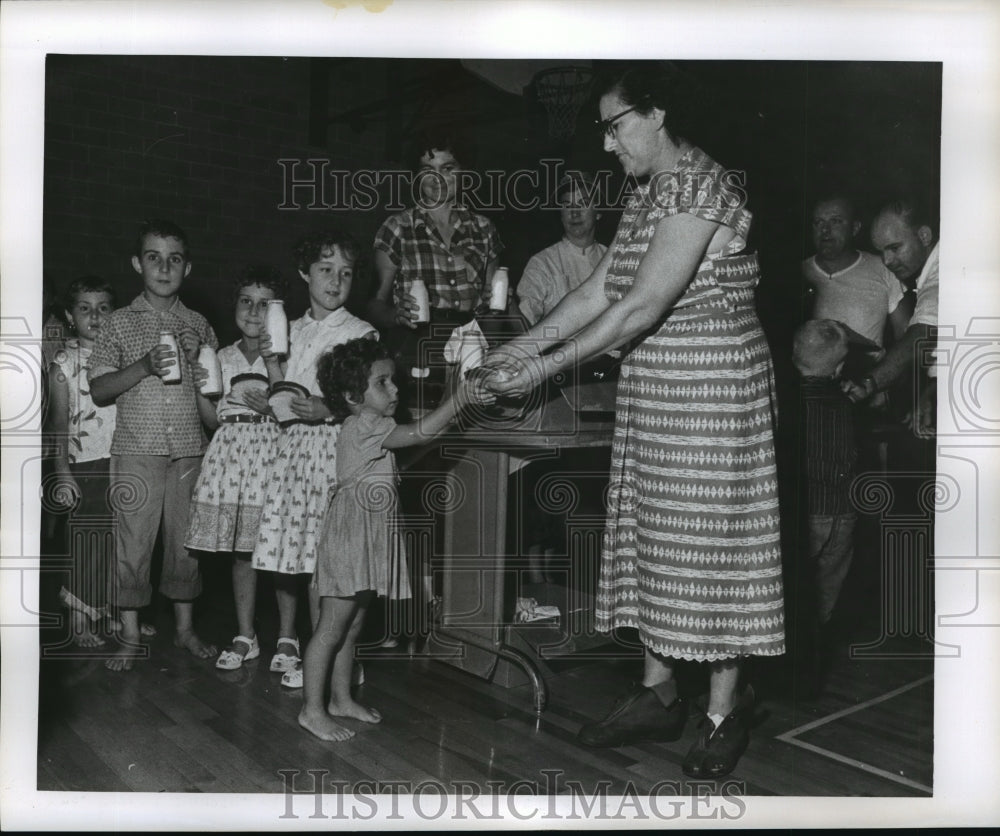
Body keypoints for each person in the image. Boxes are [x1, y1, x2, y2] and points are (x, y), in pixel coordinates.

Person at [484, 63, 784, 778]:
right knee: (652, 537)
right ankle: (656, 694)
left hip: (715, 392)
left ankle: (721, 710)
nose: (609, 146)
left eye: (617, 127)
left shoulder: (703, 185)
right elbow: (598, 290)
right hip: (656, 388)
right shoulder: (648, 190)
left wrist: (540, 370)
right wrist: (519, 347)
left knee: (714, 548)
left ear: (656, 114)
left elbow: (641, 306)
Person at [296, 338, 477, 741]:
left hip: (366, 534)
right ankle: (312, 709)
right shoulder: (364, 425)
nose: (395, 390)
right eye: (382, 383)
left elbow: (411, 447)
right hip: (351, 535)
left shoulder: (373, 430)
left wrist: (446, 422)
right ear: (351, 397)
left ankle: (341, 698)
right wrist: (460, 398)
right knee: (330, 627)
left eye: (392, 381)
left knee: (352, 624)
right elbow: (419, 431)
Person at [89, 219, 219, 671]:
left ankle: (183, 631)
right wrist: (145, 364)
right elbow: (101, 389)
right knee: (133, 545)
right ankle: (128, 634)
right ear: (136, 264)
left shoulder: (199, 325)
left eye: (175, 259)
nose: (164, 267)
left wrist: (202, 372)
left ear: (188, 267)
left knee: (187, 545)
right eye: (153, 257)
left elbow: (212, 402)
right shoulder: (118, 323)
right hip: (136, 448)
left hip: (188, 449)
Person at [251, 231, 377, 682]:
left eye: (345, 273)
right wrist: (270, 364)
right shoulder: (294, 329)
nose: (335, 280)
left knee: (331, 564)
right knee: (303, 561)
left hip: (334, 455)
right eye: (325, 270)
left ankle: (335, 659)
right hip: (293, 458)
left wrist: (330, 407)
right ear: (305, 273)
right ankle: (318, 657)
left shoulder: (360, 332)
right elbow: (282, 401)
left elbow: (373, 401)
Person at [184, 265, 286, 670]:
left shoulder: (283, 355)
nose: (254, 311)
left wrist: (273, 404)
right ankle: (247, 634)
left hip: (272, 454)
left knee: (279, 548)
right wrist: (198, 387)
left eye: (265, 304)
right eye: (246, 301)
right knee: (242, 552)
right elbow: (212, 420)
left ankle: (288, 638)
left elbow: (292, 413)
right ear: (235, 307)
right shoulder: (221, 356)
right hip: (231, 456)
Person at [369, 127, 503, 386]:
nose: (437, 178)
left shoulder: (485, 229)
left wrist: (493, 349)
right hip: (414, 346)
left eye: (448, 168)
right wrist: (396, 315)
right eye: (427, 170)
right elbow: (374, 304)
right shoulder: (396, 227)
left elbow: (493, 310)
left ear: (463, 172)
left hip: (471, 346)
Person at [46, 276, 118, 647]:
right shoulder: (64, 362)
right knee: (86, 541)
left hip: (120, 458)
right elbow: (57, 423)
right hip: (84, 462)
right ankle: (78, 619)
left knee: (115, 542)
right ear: (69, 316)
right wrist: (61, 471)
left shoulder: (120, 356)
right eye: (85, 309)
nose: (95, 316)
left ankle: (106, 611)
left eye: (104, 308)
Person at [792, 319, 859, 693]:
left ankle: (794, 670)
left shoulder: (789, 401)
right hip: (843, 514)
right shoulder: (845, 403)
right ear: (838, 367)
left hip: (807, 512)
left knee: (796, 593)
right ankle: (813, 671)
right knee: (825, 597)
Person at [843, 197, 939, 438]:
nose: (886, 261)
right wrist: (934, 389)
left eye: (894, 248)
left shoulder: (941, 275)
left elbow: (920, 338)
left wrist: (868, 384)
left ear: (924, 236)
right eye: (881, 251)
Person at [802, 195, 911, 361]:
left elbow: (905, 337)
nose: (825, 230)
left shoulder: (883, 268)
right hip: (812, 384)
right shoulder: (800, 272)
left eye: (836, 221)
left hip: (866, 381)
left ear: (855, 228)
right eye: (818, 222)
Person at [517, 171, 607, 326]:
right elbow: (525, 325)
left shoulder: (613, 259)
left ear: (598, 212)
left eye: (583, 203)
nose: (574, 212)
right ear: (560, 214)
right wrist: (509, 306)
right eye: (566, 205)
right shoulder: (542, 263)